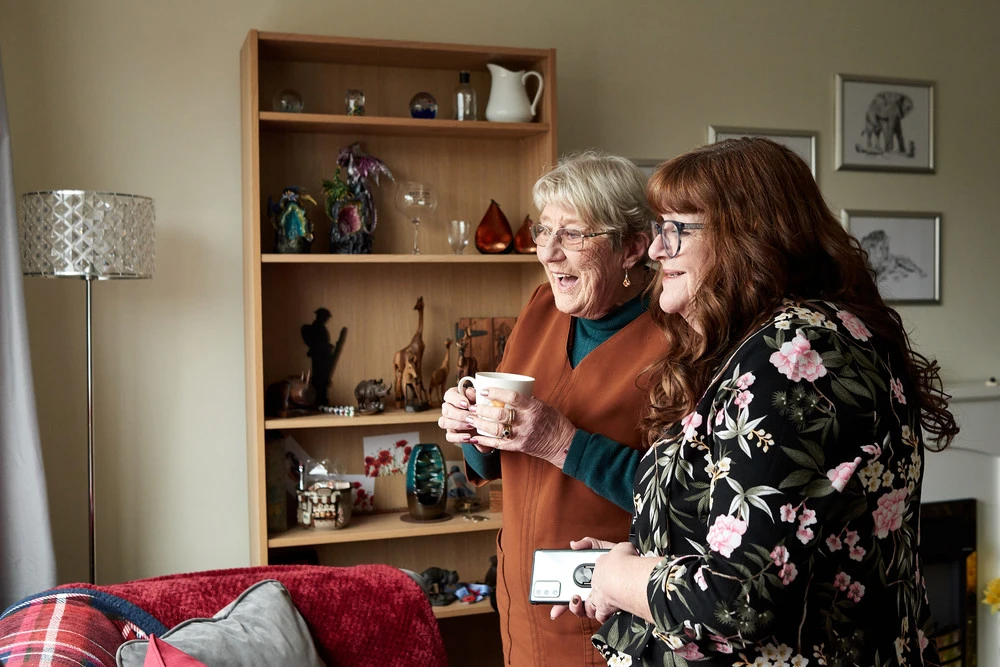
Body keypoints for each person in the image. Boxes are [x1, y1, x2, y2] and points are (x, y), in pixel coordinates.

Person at [566, 138, 958, 666]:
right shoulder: (771, 344)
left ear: (746, 238)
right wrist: (633, 572)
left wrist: (622, 578)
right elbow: (755, 534)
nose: (657, 250)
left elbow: (735, 602)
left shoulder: (796, 356)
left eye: (675, 230)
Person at [438, 151, 665, 665]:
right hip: (519, 602)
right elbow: (499, 458)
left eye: (574, 235)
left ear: (632, 247)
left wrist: (562, 444)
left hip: (606, 613)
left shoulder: (678, 337)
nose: (550, 253)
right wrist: (471, 428)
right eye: (544, 231)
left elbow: (685, 496)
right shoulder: (542, 306)